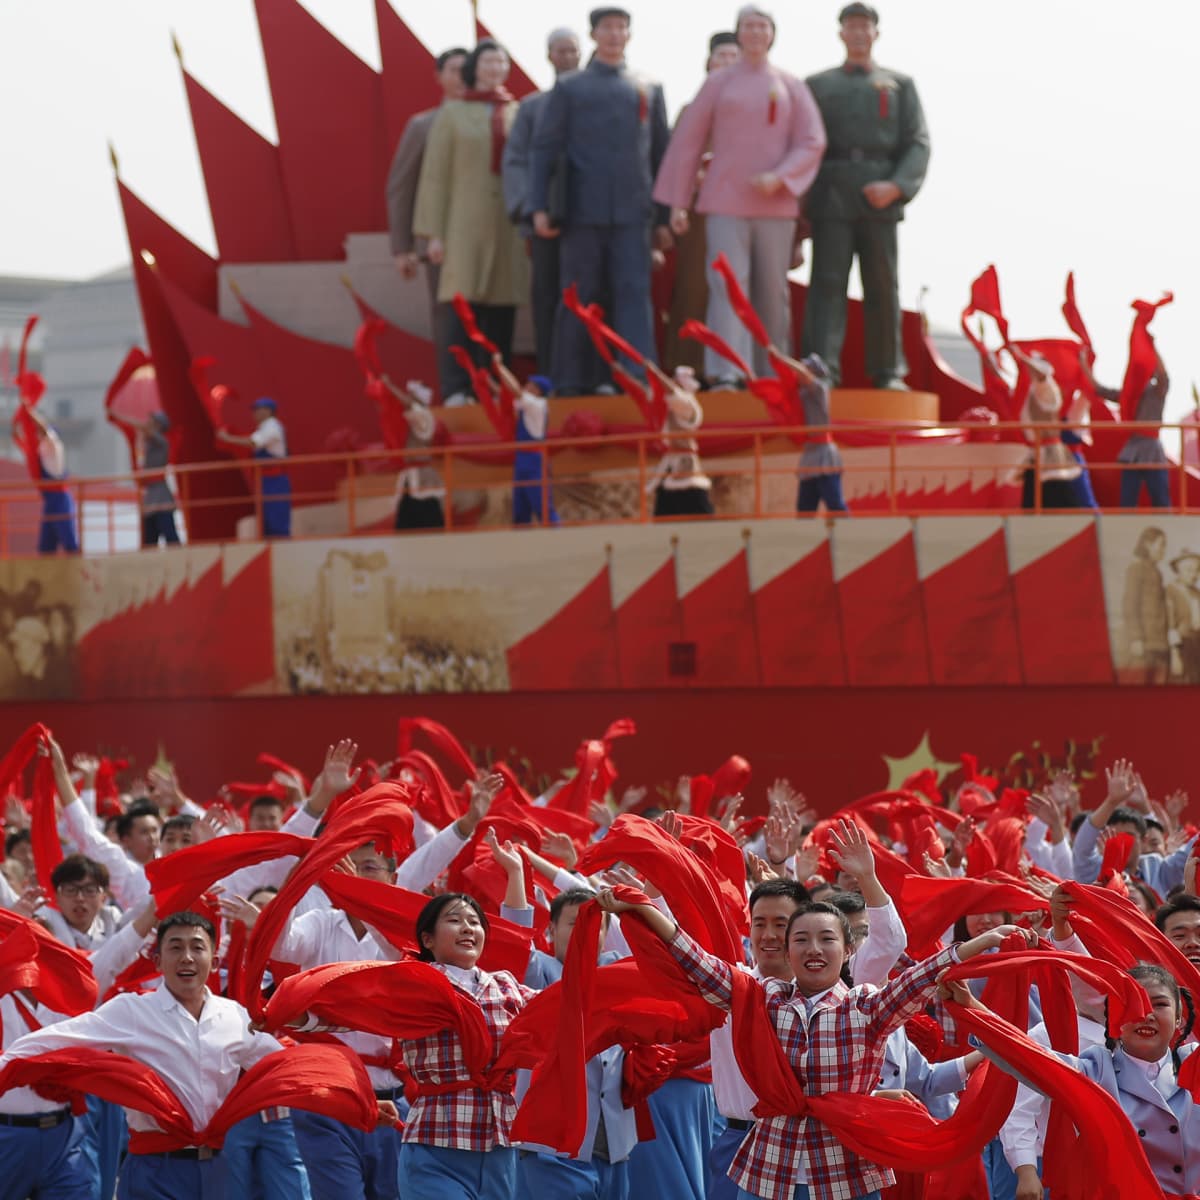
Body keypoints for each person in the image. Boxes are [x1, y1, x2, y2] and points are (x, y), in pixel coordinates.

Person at [597, 873, 1031, 1200]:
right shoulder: (758, 998)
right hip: (768, 1166)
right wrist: (642, 910)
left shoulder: (866, 1007)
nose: (813, 949)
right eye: (801, 939)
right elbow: (693, 961)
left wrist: (984, 942)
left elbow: (920, 978)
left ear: (847, 951)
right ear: (787, 952)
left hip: (846, 1170)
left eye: (826, 939)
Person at [0, 911, 287, 1200]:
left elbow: (282, 1067)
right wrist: (5, 1066)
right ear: (158, 961)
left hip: (220, 1169)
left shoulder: (234, 1016)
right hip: (155, 1170)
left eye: (197, 947)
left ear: (214, 961)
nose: (187, 957)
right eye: (175, 947)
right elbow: (59, 1038)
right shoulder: (132, 1011)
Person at [654, 6, 826, 385]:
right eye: (748, 26)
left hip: (776, 206)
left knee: (771, 292)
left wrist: (781, 177)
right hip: (723, 202)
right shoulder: (718, 84)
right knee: (727, 285)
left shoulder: (790, 85)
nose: (755, 33)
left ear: (772, 34)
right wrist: (678, 202)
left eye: (762, 26)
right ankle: (726, 370)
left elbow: (812, 140)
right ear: (738, 32)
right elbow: (688, 142)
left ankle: (771, 370)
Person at [961, 961, 1198, 1199]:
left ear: (1178, 1018)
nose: (1147, 1015)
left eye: (1160, 1005)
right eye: (1133, 1004)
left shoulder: (1194, 1065)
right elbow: (1030, 1059)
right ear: (1114, 1016)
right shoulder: (1096, 1069)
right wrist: (970, 1007)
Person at [530, 7, 672, 395]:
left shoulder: (648, 86)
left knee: (633, 293)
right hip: (580, 210)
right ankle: (570, 382)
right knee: (578, 296)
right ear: (593, 35)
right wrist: (539, 206)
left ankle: (638, 378)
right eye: (607, 28)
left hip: (633, 212)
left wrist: (664, 216)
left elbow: (662, 155)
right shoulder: (571, 87)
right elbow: (545, 149)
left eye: (621, 27)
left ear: (629, 34)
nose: (614, 34)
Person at [801, 3, 930, 389]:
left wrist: (895, 186)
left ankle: (888, 370)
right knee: (826, 283)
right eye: (851, 27)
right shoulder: (817, 85)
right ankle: (821, 366)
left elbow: (918, 142)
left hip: (881, 191)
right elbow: (804, 143)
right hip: (831, 191)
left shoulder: (899, 84)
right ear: (841, 33)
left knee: (882, 284)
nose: (858, 34)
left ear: (876, 33)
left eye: (865, 27)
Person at [414, 40, 527, 390]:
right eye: (488, 62)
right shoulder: (453, 114)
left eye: (501, 62)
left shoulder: (517, 113)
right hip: (463, 221)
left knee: (502, 306)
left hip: (506, 221)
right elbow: (435, 174)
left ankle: (498, 383)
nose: (494, 69)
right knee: (462, 306)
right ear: (474, 68)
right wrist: (434, 233)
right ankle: (457, 387)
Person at [386, 47, 470, 403]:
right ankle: (455, 391)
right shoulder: (423, 125)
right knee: (448, 317)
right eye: (452, 70)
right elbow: (401, 186)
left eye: (467, 69)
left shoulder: (496, 118)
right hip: (439, 244)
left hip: (487, 239)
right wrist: (403, 247)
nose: (460, 76)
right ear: (439, 77)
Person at [502, 28, 583, 375]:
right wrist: (530, 209)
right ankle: (551, 372)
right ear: (549, 56)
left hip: (592, 219)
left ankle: (593, 376)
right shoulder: (533, 107)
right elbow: (516, 159)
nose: (566, 57)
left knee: (591, 297)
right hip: (546, 219)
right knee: (548, 296)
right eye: (559, 51)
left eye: (572, 51)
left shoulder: (599, 101)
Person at [662, 31, 742, 376]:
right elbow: (674, 161)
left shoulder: (758, 108)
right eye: (720, 56)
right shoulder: (690, 110)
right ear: (708, 63)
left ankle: (732, 371)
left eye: (733, 57)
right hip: (698, 215)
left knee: (737, 293)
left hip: (743, 213)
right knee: (693, 291)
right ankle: (686, 371)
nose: (726, 63)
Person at [1010, 349, 1082, 510]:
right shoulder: (1031, 390)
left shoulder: (1048, 388)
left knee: (1061, 498)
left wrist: (1021, 357)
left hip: (1050, 455)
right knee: (1033, 501)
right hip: (1035, 454)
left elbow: (1041, 375)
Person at [216, 397, 292, 538]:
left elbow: (254, 442)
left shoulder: (272, 426)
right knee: (266, 521)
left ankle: (281, 549)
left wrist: (227, 438)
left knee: (277, 519)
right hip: (264, 480)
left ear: (269, 411)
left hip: (275, 481)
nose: (255, 413)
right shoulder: (263, 428)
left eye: (258, 409)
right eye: (255, 410)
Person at [379, 377, 446, 531]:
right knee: (405, 522)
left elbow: (407, 403)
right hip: (410, 475)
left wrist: (389, 385)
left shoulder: (423, 415)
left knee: (428, 518)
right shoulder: (416, 412)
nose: (408, 394)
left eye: (412, 393)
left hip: (423, 476)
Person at [110, 409, 181, 547]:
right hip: (149, 497)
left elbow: (143, 428)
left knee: (170, 537)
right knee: (149, 540)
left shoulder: (162, 442)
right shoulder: (148, 445)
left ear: (159, 425)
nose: (148, 423)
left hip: (161, 497)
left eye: (152, 421)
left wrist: (119, 415)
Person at [651, 366, 714, 517]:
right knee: (664, 511)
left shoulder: (687, 405)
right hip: (670, 465)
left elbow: (672, 392)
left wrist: (655, 372)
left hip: (686, 466)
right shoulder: (673, 407)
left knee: (699, 510)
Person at [20, 405, 79, 554]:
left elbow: (44, 429)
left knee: (70, 543)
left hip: (60, 499)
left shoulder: (54, 445)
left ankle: (79, 574)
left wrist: (29, 412)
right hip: (49, 501)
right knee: (46, 546)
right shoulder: (43, 449)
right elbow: (26, 445)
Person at [1119, 527, 1169, 684]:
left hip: (1160, 644)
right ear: (1148, 544)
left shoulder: (1157, 572)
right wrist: (1136, 638)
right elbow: (1129, 605)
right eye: (1161, 544)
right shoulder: (1136, 569)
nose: (1164, 549)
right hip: (1144, 644)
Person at [1166, 548, 1200, 683]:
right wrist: (1175, 655)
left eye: (1197, 570)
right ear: (1178, 571)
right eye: (1189, 570)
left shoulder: (1196, 592)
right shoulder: (1171, 590)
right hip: (1182, 646)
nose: (1194, 574)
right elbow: (1170, 624)